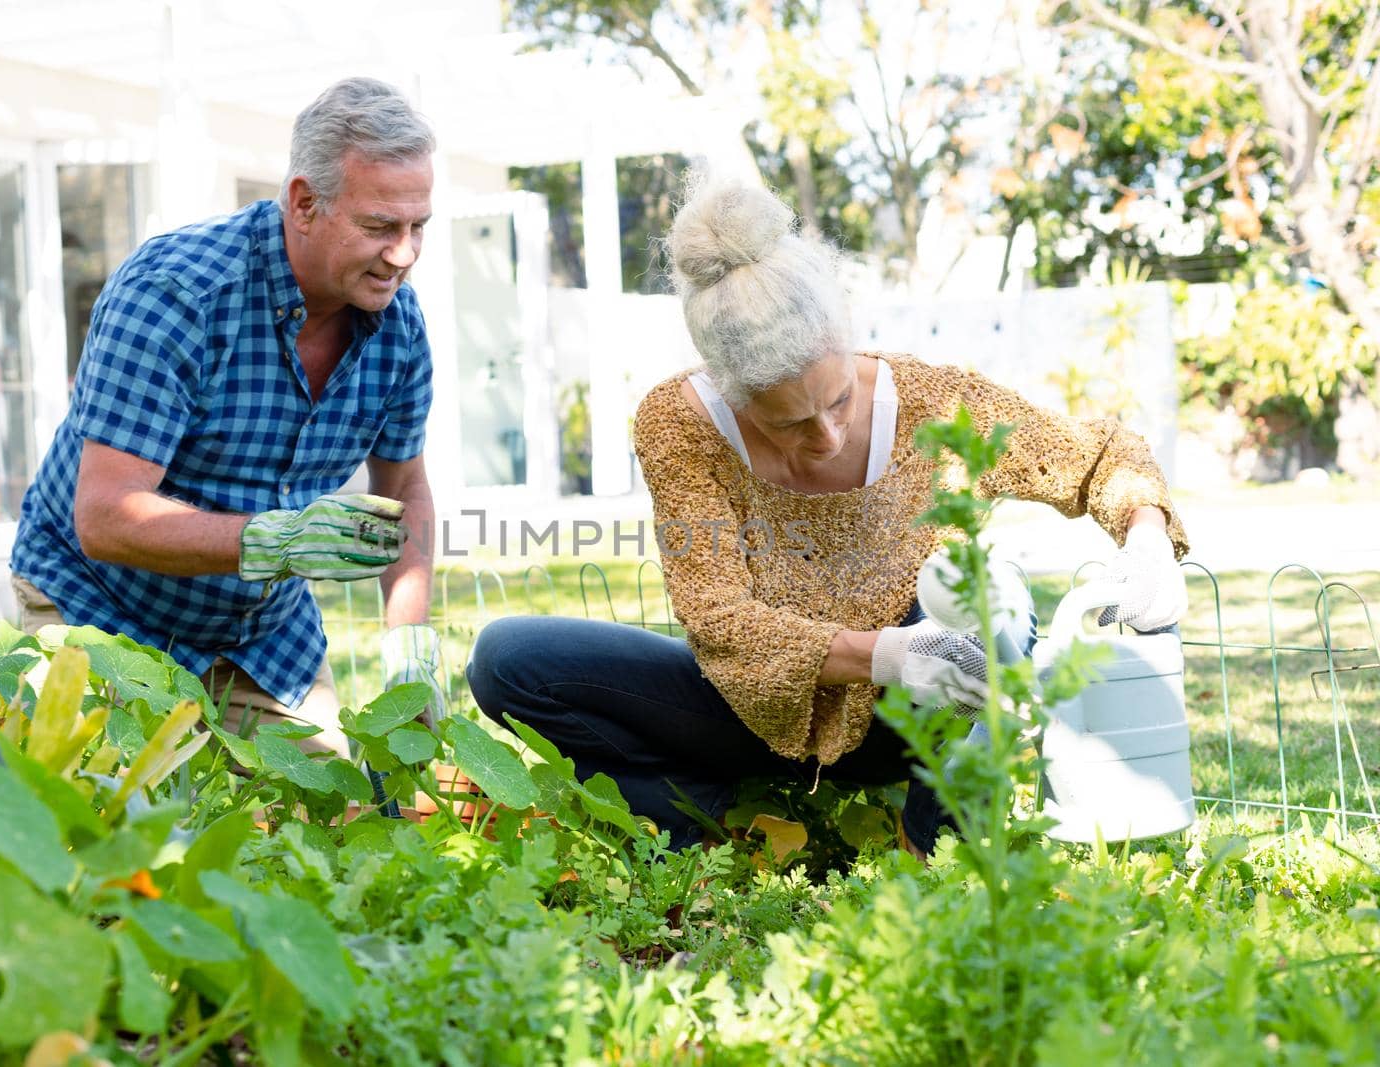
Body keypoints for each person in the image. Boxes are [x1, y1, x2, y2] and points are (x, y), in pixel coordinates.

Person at [466, 176, 1189, 855]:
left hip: (907, 716)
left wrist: (1148, 533)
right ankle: (699, 817)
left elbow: (1099, 454)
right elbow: (715, 616)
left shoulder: (934, 403)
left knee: (991, 586)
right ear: (734, 393)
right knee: (507, 659)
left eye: (839, 400)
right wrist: (884, 651)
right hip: (745, 709)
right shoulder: (677, 423)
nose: (830, 436)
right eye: (791, 423)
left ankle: (935, 840)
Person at [10, 77, 446, 753]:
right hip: (96, 607)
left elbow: (405, 487)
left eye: (418, 226)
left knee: (335, 826)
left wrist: (411, 642)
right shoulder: (177, 293)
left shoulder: (398, 326)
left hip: (260, 635)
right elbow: (102, 515)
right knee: (123, 838)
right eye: (380, 227)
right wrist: (276, 540)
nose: (404, 254)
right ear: (304, 203)